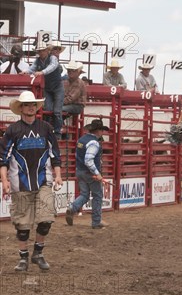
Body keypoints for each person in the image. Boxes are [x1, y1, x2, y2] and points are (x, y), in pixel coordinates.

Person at [0, 91, 63, 271]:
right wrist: (4, 181)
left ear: (37, 107)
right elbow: (3, 158)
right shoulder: (13, 131)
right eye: (27, 104)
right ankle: (23, 258)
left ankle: (38, 253)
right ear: (21, 108)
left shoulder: (46, 128)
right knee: (22, 224)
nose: (31, 107)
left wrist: (57, 174)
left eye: (33, 104)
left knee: (46, 219)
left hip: (44, 180)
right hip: (20, 183)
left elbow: (54, 154)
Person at [65, 119, 110, 229]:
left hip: (80, 171)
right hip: (90, 174)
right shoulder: (94, 143)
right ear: (98, 131)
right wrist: (97, 173)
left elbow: (79, 156)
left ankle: (72, 208)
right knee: (97, 195)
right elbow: (88, 160)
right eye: (102, 131)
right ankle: (96, 222)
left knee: (84, 194)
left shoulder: (81, 140)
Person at [21, 42, 64, 135]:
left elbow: (52, 67)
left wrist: (42, 72)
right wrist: (26, 71)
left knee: (57, 111)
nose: (41, 53)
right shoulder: (38, 61)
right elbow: (32, 68)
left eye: (42, 50)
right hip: (48, 87)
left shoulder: (53, 58)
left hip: (57, 87)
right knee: (47, 109)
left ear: (47, 50)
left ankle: (57, 132)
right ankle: (48, 130)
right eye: (39, 51)